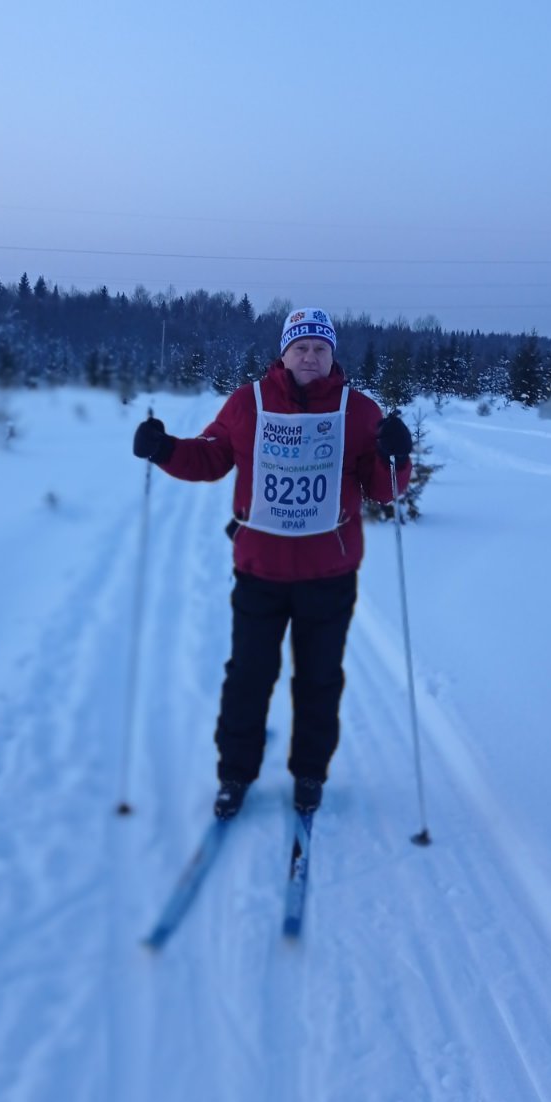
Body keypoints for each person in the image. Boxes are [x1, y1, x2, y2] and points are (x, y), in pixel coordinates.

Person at [132, 307, 412, 820]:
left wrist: (397, 455)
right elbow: (211, 457)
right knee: (249, 676)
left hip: (330, 575)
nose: (310, 356)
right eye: (300, 347)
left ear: (332, 356)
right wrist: (165, 449)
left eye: (320, 348)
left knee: (320, 678)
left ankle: (310, 773)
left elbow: (381, 488)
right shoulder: (248, 403)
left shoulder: (360, 411)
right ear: (283, 353)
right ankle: (235, 774)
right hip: (260, 572)